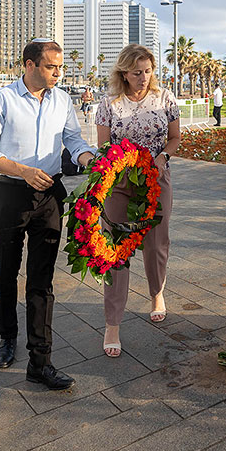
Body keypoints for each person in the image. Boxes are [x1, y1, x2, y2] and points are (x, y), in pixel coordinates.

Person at [0, 39, 96, 390]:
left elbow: (74, 139)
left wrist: (88, 159)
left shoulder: (62, 99)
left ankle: (40, 362)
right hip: (10, 194)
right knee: (5, 272)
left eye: (61, 67)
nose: (58, 73)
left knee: (42, 281)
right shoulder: (3, 99)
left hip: (50, 196)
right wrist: (21, 170)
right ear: (29, 65)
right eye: (51, 66)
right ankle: (7, 337)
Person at [95, 44, 181, 358]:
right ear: (123, 73)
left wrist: (162, 157)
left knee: (157, 242)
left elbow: (175, 138)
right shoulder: (108, 105)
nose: (143, 78)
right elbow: (104, 147)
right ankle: (112, 323)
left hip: (156, 181)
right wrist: (121, 165)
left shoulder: (165, 99)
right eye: (136, 73)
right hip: (119, 183)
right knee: (116, 249)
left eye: (147, 71)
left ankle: (156, 292)